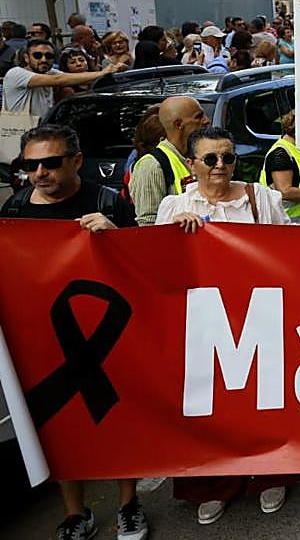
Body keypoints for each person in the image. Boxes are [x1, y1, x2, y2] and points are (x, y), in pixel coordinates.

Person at [0, 125, 148, 540]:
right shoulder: (14, 212)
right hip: (44, 339)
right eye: (31, 165)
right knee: (59, 427)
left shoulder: (107, 202)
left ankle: (128, 505)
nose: (40, 173)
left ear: (76, 161)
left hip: (109, 336)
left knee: (118, 420)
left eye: (51, 162)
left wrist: (115, 237)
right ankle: (74, 514)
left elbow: (142, 265)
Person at [155, 128, 294, 524]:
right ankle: (215, 483)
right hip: (203, 320)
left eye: (228, 158)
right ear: (192, 163)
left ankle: (270, 475)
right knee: (211, 404)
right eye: (211, 158)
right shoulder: (173, 205)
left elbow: (291, 253)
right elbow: (152, 264)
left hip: (259, 314)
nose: (221, 166)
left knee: (262, 398)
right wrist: (171, 234)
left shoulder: (263, 199)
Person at [129, 96, 209, 225]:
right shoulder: (152, 166)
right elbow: (148, 224)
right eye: (199, 117)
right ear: (178, 124)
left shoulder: (196, 156)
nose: (206, 120)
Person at [1, 38, 123, 122]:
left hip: (43, 131)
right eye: (37, 55)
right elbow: (60, 79)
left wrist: (109, 72)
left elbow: (75, 78)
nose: (44, 59)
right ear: (27, 58)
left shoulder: (49, 72)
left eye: (49, 56)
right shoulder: (16, 73)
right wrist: (103, 72)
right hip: (20, 133)